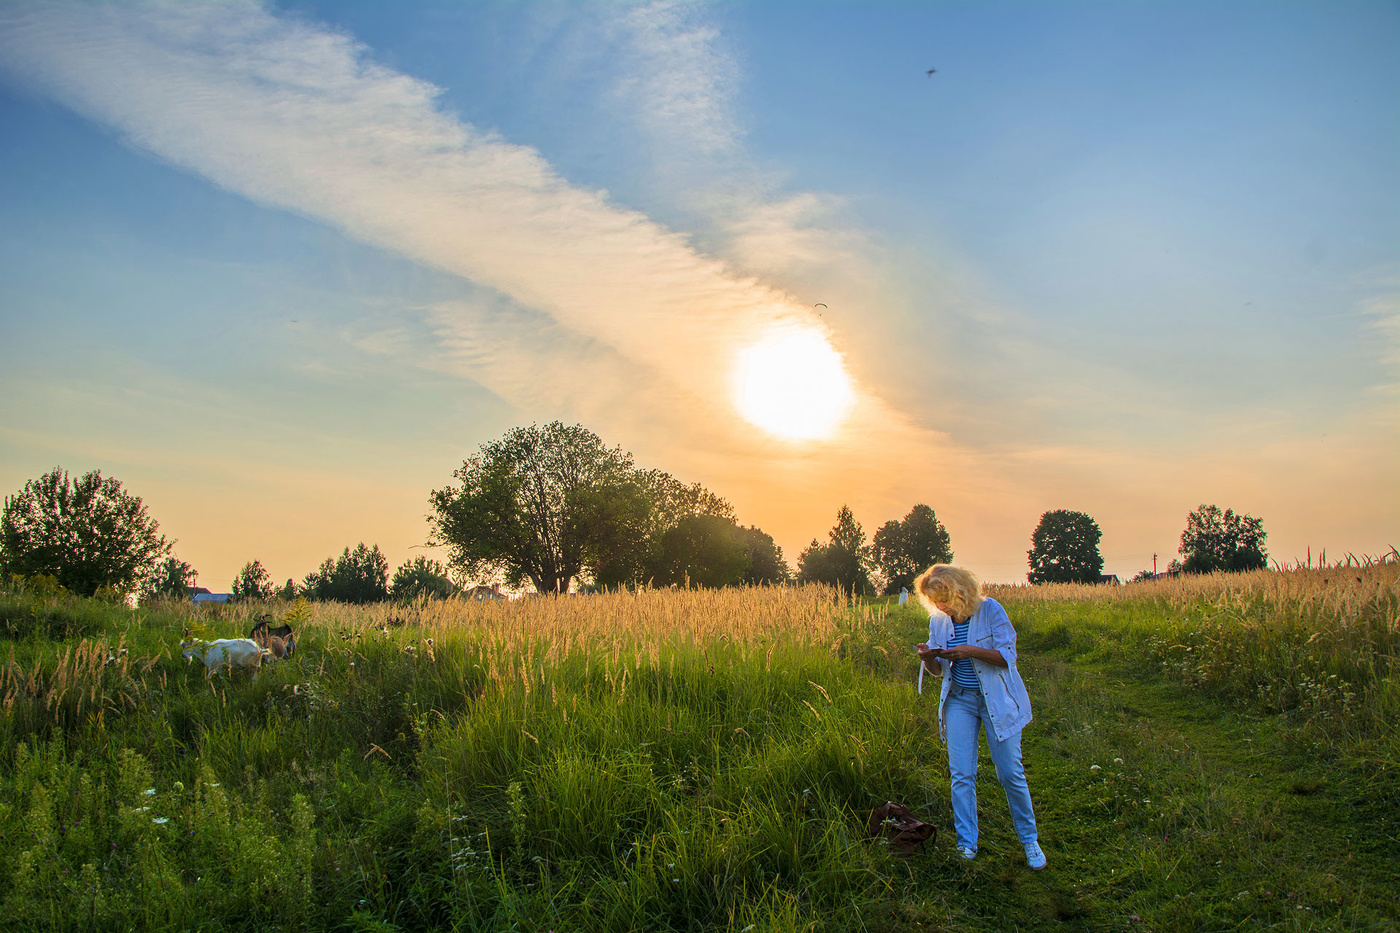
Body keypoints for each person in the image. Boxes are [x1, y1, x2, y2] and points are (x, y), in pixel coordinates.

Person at [914, 564, 1046, 869]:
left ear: (959, 592)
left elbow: (1006, 658)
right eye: (935, 602)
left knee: (1010, 773)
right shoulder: (939, 621)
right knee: (961, 774)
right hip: (959, 700)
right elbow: (938, 672)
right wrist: (929, 657)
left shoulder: (991, 611)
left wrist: (970, 651)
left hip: (996, 702)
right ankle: (967, 843)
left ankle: (1029, 841)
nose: (940, 607)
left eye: (944, 599)